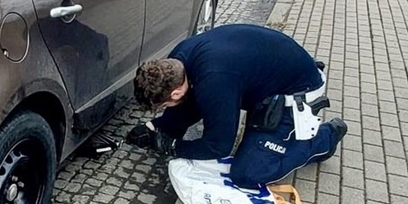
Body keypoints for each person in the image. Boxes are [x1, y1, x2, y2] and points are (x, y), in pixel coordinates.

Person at [126, 23, 347, 188]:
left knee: (247, 174)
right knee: (201, 97)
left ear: (174, 91)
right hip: (267, 81)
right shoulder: (177, 62)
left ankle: (323, 140)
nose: (166, 107)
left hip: (296, 93)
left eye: (163, 105)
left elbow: (218, 146)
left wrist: (170, 145)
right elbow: (188, 102)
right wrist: (157, 128)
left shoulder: (214, 80)